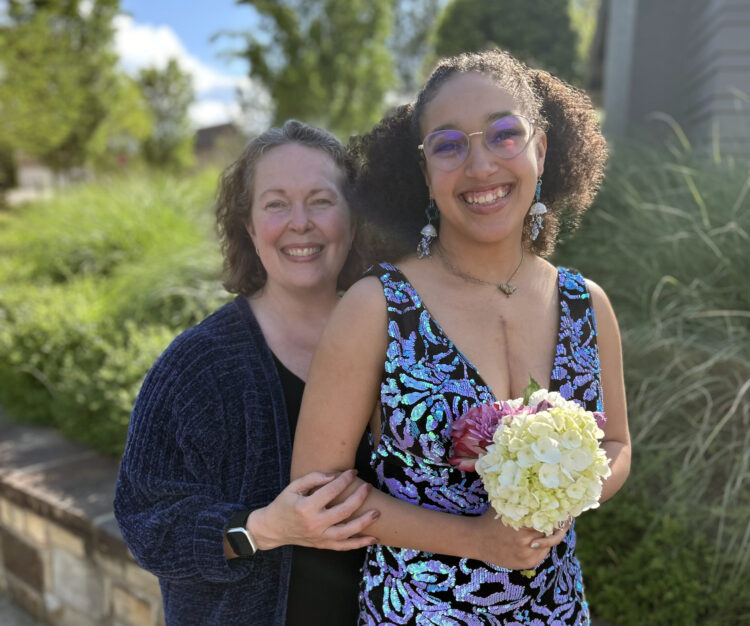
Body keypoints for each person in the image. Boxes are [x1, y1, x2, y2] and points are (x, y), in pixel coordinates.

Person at [292, 50, 631, 624]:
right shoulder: (378, 308)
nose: (479, 167)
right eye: (449, 145)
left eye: (504, 135)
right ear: (425, 172)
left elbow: (617, 447)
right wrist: (477, 539)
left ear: (541, 150)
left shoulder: (587, 305)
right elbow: (315, 494)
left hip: (557, 611)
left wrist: (570, 493)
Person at [113, 120, 380, 626]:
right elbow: (144, 523)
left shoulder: (396, 343)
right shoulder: (198, 365)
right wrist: (261, 528)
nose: (300, 222)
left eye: (322, 201)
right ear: (250, 227)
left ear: (353, 219)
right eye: (276, 204)